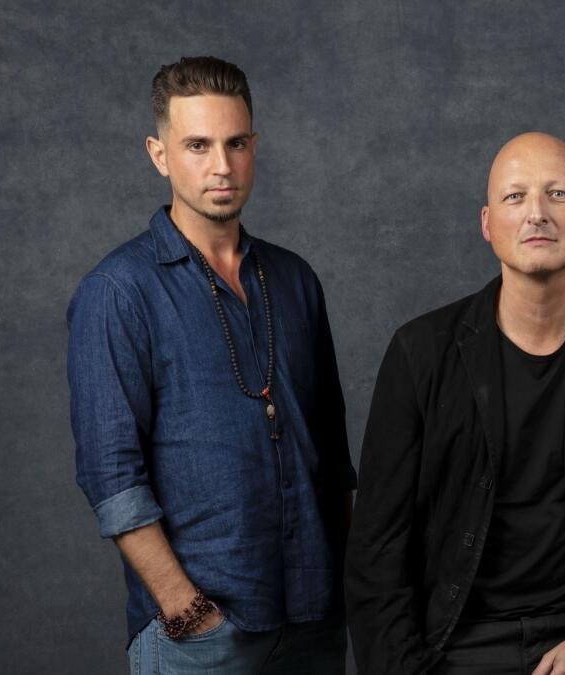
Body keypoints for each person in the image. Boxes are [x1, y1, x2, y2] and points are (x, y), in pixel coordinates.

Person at [346, 132, 565, 675]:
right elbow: (377, 547)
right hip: (459, 639)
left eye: (556, 195)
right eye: (515, 197)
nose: (536, 213)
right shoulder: (420, 353)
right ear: (488, 224)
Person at [67, 56, 355, 674]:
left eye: (236, 143)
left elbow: (332, 455)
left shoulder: (295, 279)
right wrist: (186, 609)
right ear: (159, 153)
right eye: (197, 145)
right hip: (201, 635)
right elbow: (112, 476)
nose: (221, 165)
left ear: (254, 146)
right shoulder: (118, 291)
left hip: (315, 619)